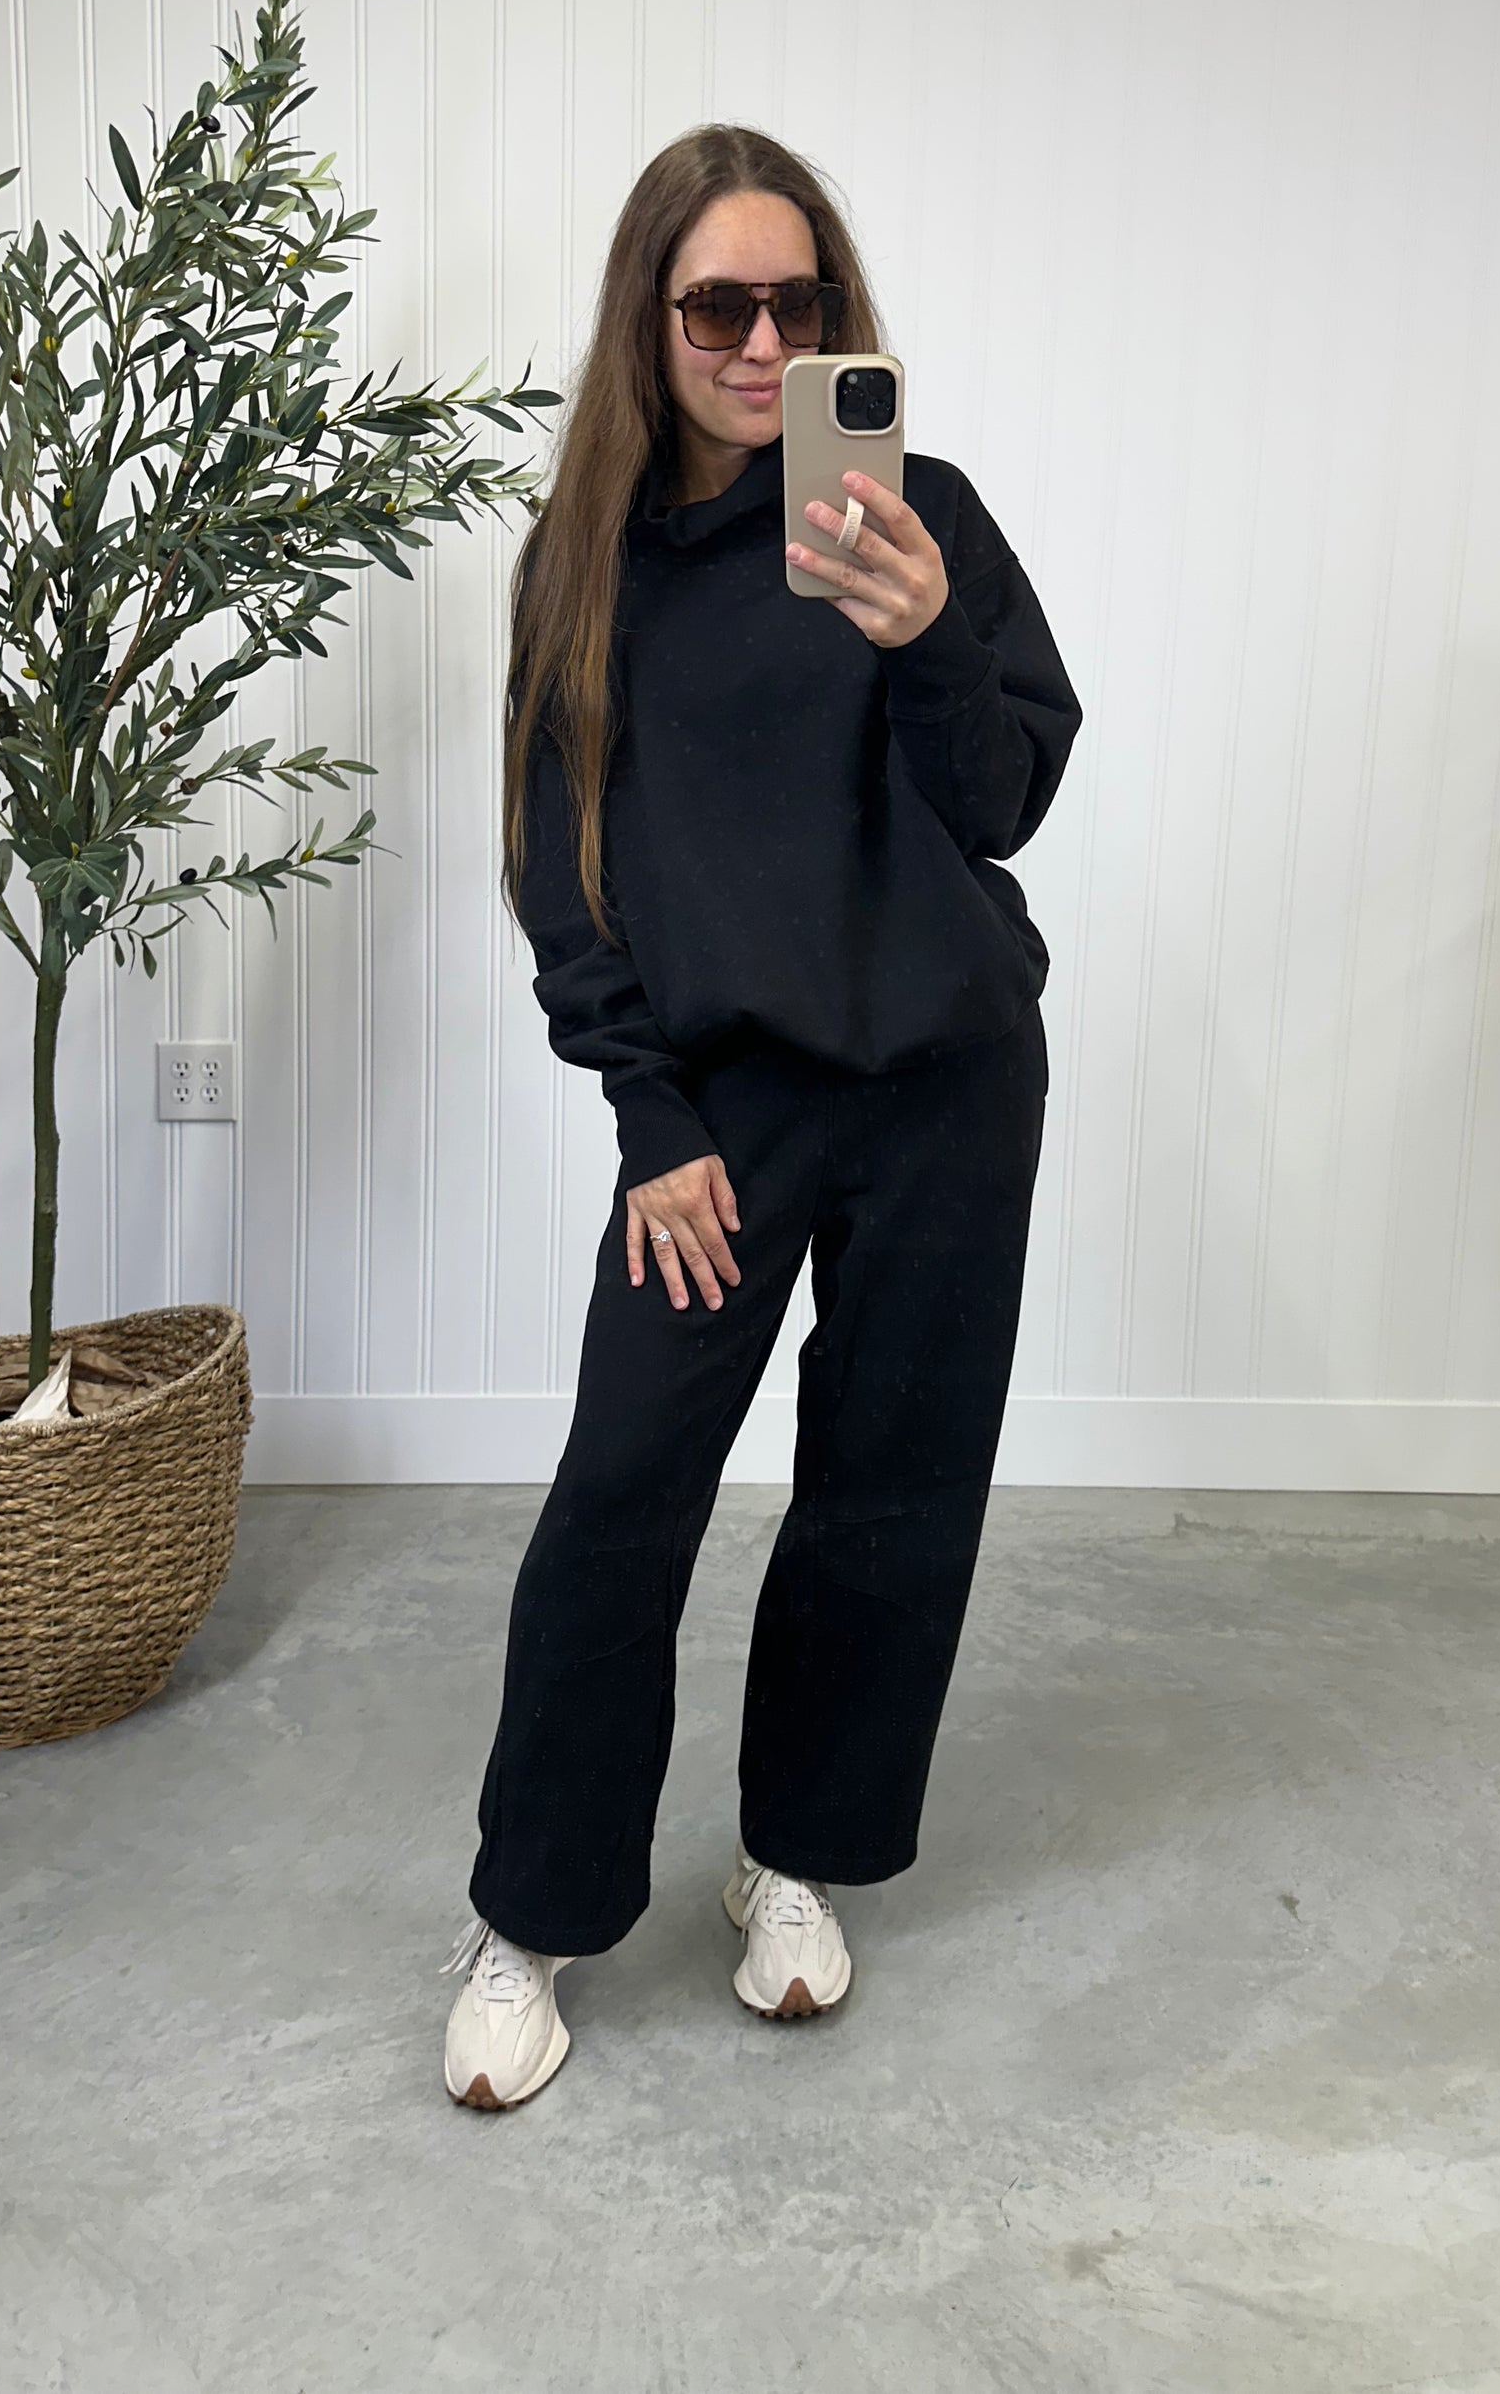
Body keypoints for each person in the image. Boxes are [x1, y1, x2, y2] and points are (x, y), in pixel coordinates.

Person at [441, 123, 1083, 2109]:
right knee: (620, 1494)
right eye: (716, 304)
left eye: (796, 303)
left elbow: (1001, 803)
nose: (758, 341)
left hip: (949, 1082)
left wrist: (919, 639)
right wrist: (649, 1115)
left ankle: (794, 1857)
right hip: (721, 1104)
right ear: (648, 320)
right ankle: (532, 1914)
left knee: (891, 1490)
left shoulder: (921, 517)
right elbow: (561, 870)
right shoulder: (588, 566)